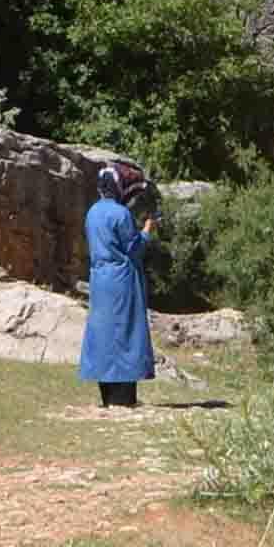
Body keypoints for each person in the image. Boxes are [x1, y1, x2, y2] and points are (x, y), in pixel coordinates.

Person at [77, 164, 156, 407]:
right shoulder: (120, 214)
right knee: (125, 332)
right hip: (121, 279)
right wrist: (147, 231)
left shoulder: (92, 212)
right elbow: (133, 248)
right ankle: (123, 398)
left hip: (99, 279)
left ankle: (107, 397)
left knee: (103, 333)